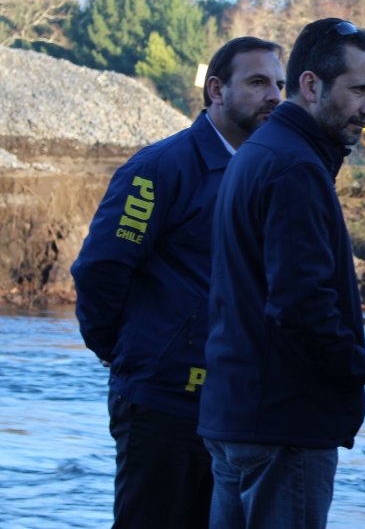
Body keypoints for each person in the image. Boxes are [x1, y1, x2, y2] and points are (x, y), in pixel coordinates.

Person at [71, 36, 286, 528]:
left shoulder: (272, 174)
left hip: (241, 410)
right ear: (216, 89)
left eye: (279, 83)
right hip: (161, 405)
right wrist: (128, 353)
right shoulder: (159, 169)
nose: (274, 95)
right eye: (257, 82)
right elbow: (101, 269)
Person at [198, 18, 365, 528]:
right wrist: (354, 370)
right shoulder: (294, 167)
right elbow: (301, 303)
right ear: (311, 85)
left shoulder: (261, 152)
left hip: (239, 414)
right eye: (360, 90)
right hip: (283, 422)